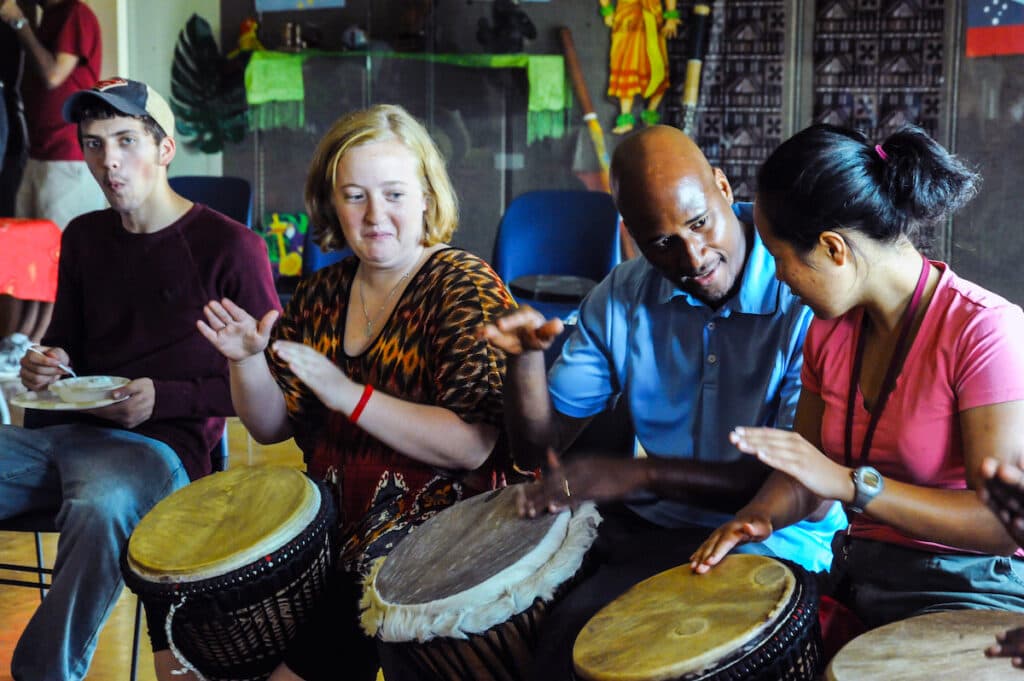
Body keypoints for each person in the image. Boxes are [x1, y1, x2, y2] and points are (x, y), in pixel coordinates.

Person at [480, 124, 846, 680]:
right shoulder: (622, 295)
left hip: (779, 539)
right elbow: (539, 447)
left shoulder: (801, 290)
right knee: (518, 622)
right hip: (659, 532)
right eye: (661, 243)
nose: (693, 256)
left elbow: (804, 488)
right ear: (632, 236)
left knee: (593, 648)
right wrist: (524, 362)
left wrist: (641, 477)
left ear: (723, 187)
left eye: (699, 223)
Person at [189, 103, 517, 681]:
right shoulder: (320, 293)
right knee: (197, 608)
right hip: (334, 530)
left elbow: (471, 448)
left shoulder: (462, 285)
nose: (374, 216)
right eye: (355, 195)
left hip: (442, 540)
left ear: (426, 198)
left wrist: (350, 396)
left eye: (393, 194)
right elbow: (270, 426)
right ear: (331, 203)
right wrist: (245, 363)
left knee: (314, 639)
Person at [691, 124, 1024, 630]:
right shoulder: (828, 333)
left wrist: (856, 486)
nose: (779, 278)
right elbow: (808, 477)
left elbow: (1003, 522)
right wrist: (759, 517)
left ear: (833, 248)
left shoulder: (984, 332)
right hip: (864, 574)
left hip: (973, 587)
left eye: (780, 259)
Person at [0, 78, 280, 681]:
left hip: (159, 450)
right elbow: (68, 346)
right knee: (93, 500)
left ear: (165, 149)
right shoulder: (83, 237)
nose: (109, 161)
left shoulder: (232, 249)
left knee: (102, 505)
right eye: (95, 144)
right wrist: (45, 364)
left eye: (127, 141)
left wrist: (165, 399)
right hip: (60, 441)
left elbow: (277, 383)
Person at [0, 0, 105, 372]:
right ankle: (18, 342)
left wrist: (18, 23)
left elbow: (53, 75)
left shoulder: (76, 14)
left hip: (67, 159)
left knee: (55, 259)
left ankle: (44, 347)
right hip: (37, 154)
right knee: (22, 253)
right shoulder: (51, 19)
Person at [600, 0, 680, 134]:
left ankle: (651, 113)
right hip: (626, 20)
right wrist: (607, 9)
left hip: (652, 20)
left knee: (656, 68)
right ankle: (625, 117)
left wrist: (671, 16)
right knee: (625, 64)